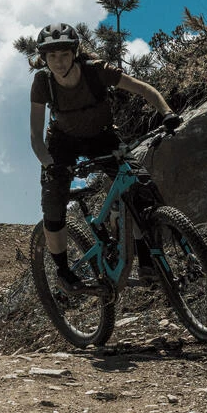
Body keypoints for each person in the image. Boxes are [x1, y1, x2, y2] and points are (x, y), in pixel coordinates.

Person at [28, 22, 182, 292]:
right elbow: (35, 136)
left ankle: (147, 261)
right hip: (63, 143)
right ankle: (63, 272)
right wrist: (50, 165)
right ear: (44, 58)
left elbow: (144, 89)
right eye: (52, 56)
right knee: (53, 204)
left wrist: (167, 112)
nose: (59, 62)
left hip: (102, 136)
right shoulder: (43, 82)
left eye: (64, 54)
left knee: (140, 188)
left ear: (75, 53)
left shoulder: (96, 71)